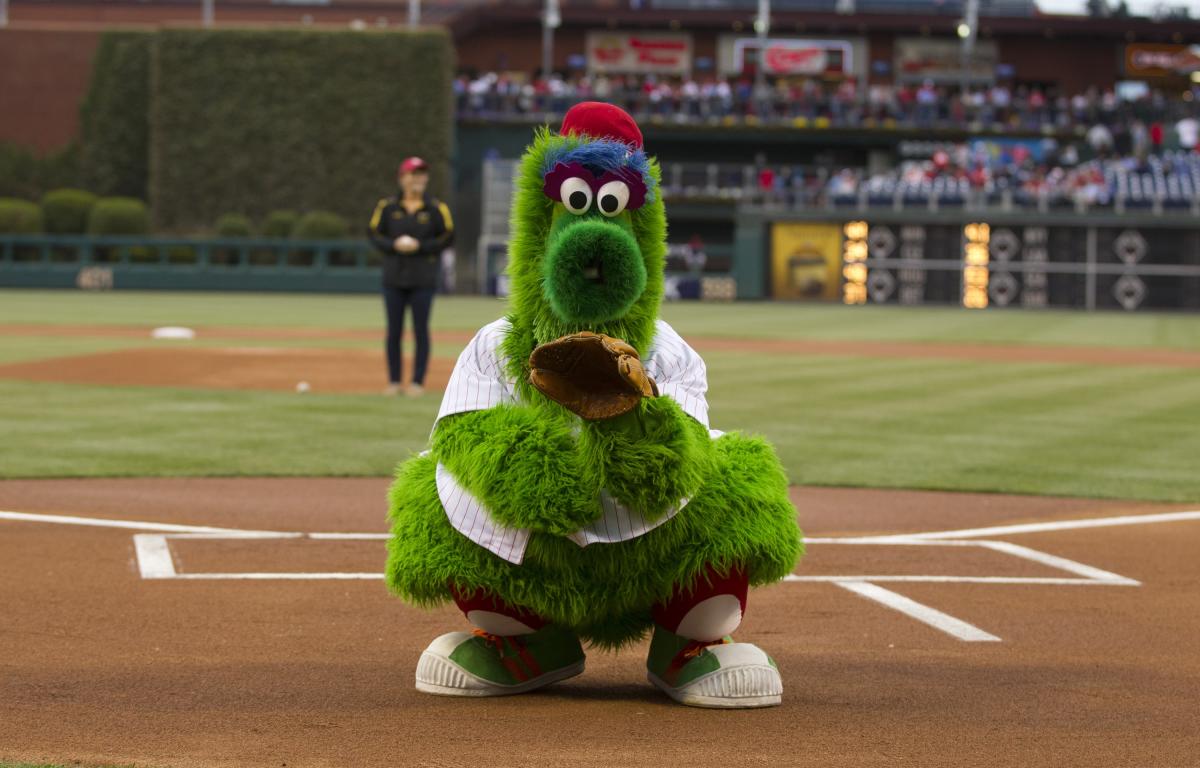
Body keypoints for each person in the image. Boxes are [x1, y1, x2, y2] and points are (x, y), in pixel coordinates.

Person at [367, 156, 454, 397]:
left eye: (422, 175)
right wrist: (394, 244)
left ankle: (417, 382)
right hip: (394, 278)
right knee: (394, 331)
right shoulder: (388, 207)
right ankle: (394, 381)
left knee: (420, 330)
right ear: (402, 178)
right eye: (414, 174)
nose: (419, 179)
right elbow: (374, 233)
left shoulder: (436, 208)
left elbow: (447, 237)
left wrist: (420, 246)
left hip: (422, 278)